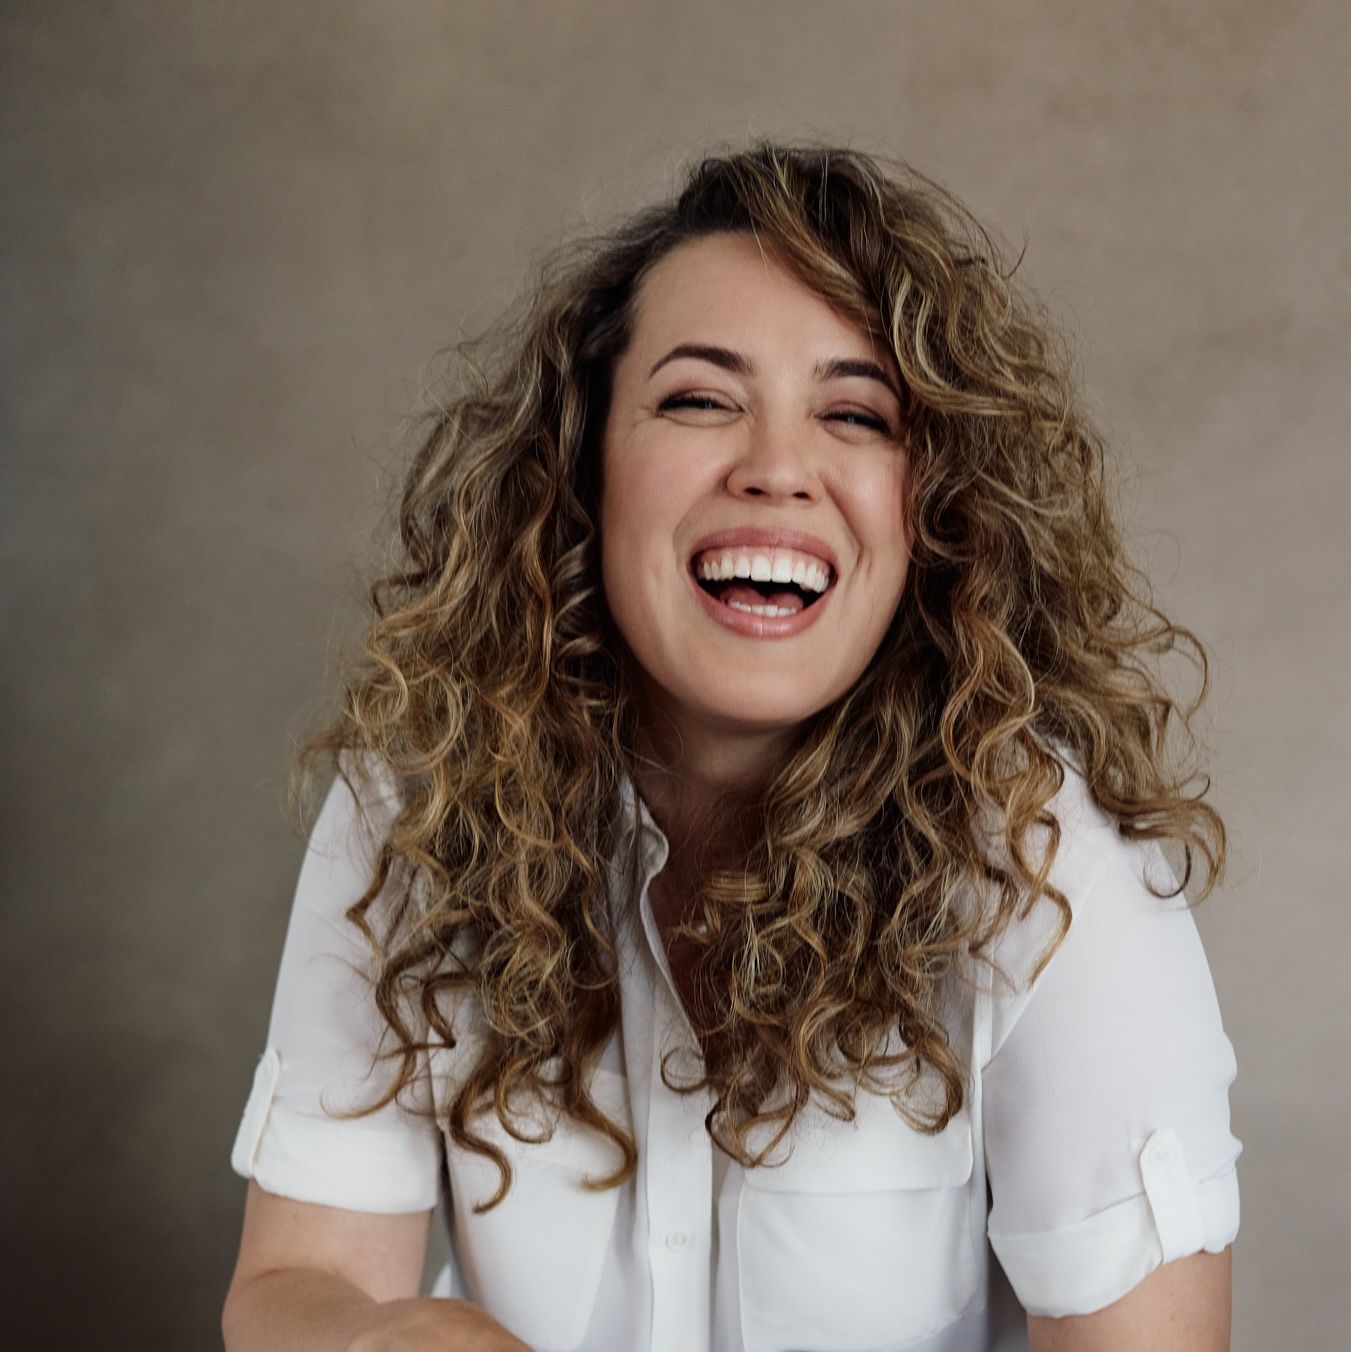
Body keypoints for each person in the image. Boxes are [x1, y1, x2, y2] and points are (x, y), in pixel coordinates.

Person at [221, 143, 1241, 1352]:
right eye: (699, 399)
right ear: (583, 467)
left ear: (936, 516)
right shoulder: (415, 800)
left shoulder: (1055, 868)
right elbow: (297, 1276)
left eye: (855, 414)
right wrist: (382, 1338)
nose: (775, 470)